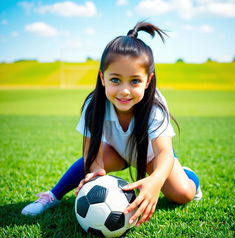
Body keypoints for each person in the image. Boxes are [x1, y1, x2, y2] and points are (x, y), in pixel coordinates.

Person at [21, 22, 202, 226]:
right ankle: (52, 195)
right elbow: (91, 153)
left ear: (148, 81)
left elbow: (164, 154)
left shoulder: (155, 106)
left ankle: (189, 176)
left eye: (134, 81)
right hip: (116, 151)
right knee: (89, 167)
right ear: (102, 77)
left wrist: (156, 181)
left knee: (183, 194)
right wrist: (95, 174)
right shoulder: (94, 105)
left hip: (152, 156)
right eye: (115, 80)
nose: (124, 91)